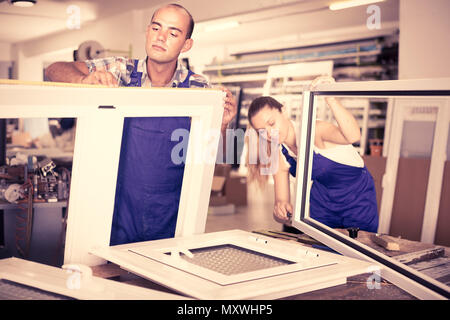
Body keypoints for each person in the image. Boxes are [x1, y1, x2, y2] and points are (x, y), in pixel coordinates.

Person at [45, 3, 237, 245]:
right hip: (114, 210)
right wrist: (85, 79)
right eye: (156, 28)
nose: (161, 37)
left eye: (173, 33)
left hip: (171, 216)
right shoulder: (120, 71)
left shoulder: (199, 88)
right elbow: (54, 70)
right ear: (147, 31)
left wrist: (221, 127)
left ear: (186, 44)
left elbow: (212, 158)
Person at [246, 76, 378, 233]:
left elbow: (354, 136)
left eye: (272, 123)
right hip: (322, 200)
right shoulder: (279, 154)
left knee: (360, 247)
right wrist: (281, 211)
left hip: (357, 197)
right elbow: (281, 203)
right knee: (322, 249)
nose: (269, 133)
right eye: (262, 131)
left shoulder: (313, 130)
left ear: (284, 110)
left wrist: (331, 99)